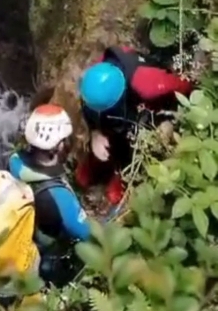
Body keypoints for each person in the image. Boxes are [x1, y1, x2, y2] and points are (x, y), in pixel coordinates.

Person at [75, 45, 194, 205]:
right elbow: (87, 105)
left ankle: (127, 174)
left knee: (154, 136)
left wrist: (177, 116)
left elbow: (182, 85)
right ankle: (101, 167)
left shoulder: (146, 84)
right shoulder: (95, 79)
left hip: (155, 110)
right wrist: (95, 133)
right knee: (83, 176)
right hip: (120, 111)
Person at [8, 103, 91, 287]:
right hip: (46, 256)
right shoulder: (59, 197)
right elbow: (90, 234)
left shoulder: (15, 162)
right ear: (58, 146)